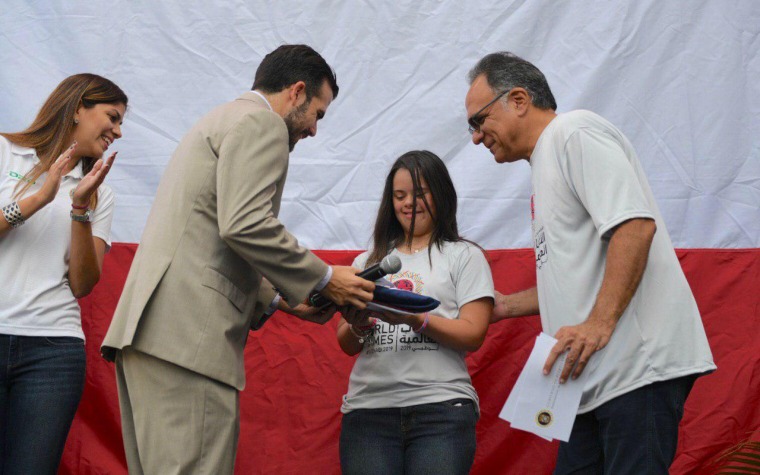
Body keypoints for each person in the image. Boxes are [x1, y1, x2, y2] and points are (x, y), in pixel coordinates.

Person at [101, 44, 374, 474]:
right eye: (318, 114)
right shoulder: (262, 123)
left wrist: (286, 299)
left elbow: (209, 230)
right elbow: (243, 223)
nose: (315, 131)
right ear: (297, 91)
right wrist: (324, 279)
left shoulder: (218, 120)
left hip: (153, 336)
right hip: (189, 343)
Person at [465, 52, 716, 474]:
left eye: (478, 121)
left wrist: (598, 324)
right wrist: (505, 306)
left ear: (520, 99)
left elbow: (635, 227)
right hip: (587, 385)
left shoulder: (573, 132)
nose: (475, 137)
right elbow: (576, 275)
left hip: (635, 371)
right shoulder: (545, 161)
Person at [337, 150, 494, 475]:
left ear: (441, 194)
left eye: (420, 193)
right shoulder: (367, 262)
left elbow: (474, 333)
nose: (409, 203)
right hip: (369, 412)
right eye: (400, 195)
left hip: (442, 410)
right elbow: (346, 343)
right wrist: (358, 325)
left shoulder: (464, 256)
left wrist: (414, 318)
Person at [0, 73, 127, 474]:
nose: (119, 131)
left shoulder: (98, 192)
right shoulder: (4, 152)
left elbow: (83, 284)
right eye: (112, 116)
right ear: (77, 108)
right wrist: (38, 199)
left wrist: (79, 209)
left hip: (52, 354)